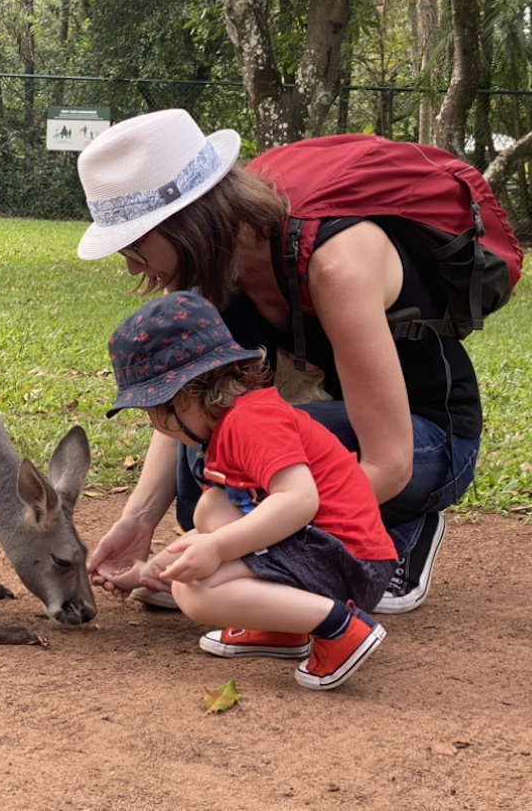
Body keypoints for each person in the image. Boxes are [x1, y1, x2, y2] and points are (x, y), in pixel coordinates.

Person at [78, 108, 482, 617]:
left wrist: (242, 552)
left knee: (236, 472)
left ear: (185, 223)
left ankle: (400, 528)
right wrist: (140, 521)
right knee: (200, 479)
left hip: (430, 444)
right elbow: (188, 404)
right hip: (333, 432)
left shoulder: (335, 264)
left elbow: (389, 462)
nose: (134, 268)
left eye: (134, 247)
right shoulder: (210, 274)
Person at [102, 291, 397, 690]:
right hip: (323, 549)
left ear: (184, 398)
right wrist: (145, 573)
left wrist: (219, 549)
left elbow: (300, 500)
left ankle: (340, 628)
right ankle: (284, 627)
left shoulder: (252, 422)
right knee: (212, 509)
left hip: (350, 561)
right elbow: (211, 532)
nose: (156, 429)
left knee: (196, 593)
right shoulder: (230, 427)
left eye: (154, 414)